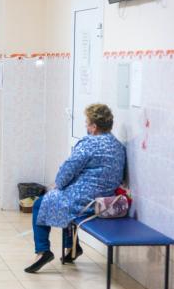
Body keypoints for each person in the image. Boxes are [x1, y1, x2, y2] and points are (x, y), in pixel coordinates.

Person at [25, 104, 126, 273]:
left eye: (87, 123)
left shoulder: (89, 143)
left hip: (86, 200)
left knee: (41, 203)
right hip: (105, 201)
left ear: (94, 127)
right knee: (64, 200)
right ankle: (72, 247)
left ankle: (42, 251)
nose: (86, 127)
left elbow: (68, 170)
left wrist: (57, 185)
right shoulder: (118, 146)